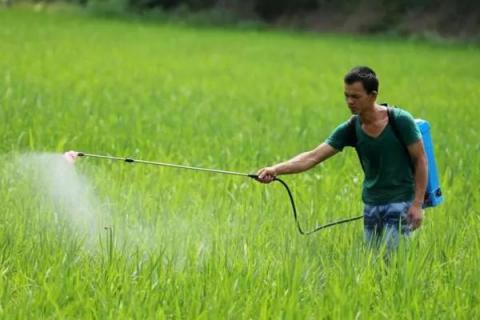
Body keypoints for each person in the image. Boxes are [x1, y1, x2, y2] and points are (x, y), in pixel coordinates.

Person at [256, 66, 428, 251]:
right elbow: (312, 157)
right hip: (371, 204)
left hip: (400, 202)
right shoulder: (351, 127)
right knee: (373, 265)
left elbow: (420, 160)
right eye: (346, 96)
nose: (349, 101)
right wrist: (275, 170)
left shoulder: (400, 120)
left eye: (355, 97)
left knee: (394, 265)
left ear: (373, 95)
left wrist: (417, 205)